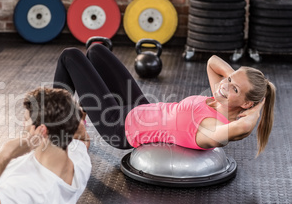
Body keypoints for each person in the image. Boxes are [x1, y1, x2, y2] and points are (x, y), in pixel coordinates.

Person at [53, 43, 276, 155]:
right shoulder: (220, 99)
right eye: (227, 80)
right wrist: (231, 80)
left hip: (121, 128)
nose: (224, 86)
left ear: (247, 104)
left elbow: (245, 125)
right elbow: (212, 61)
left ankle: (55, 133)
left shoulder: (213, 129)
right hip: (141, 107)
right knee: (96, 51)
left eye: (234, 89)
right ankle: (77, 122)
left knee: (70, 56)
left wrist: (259, 106)